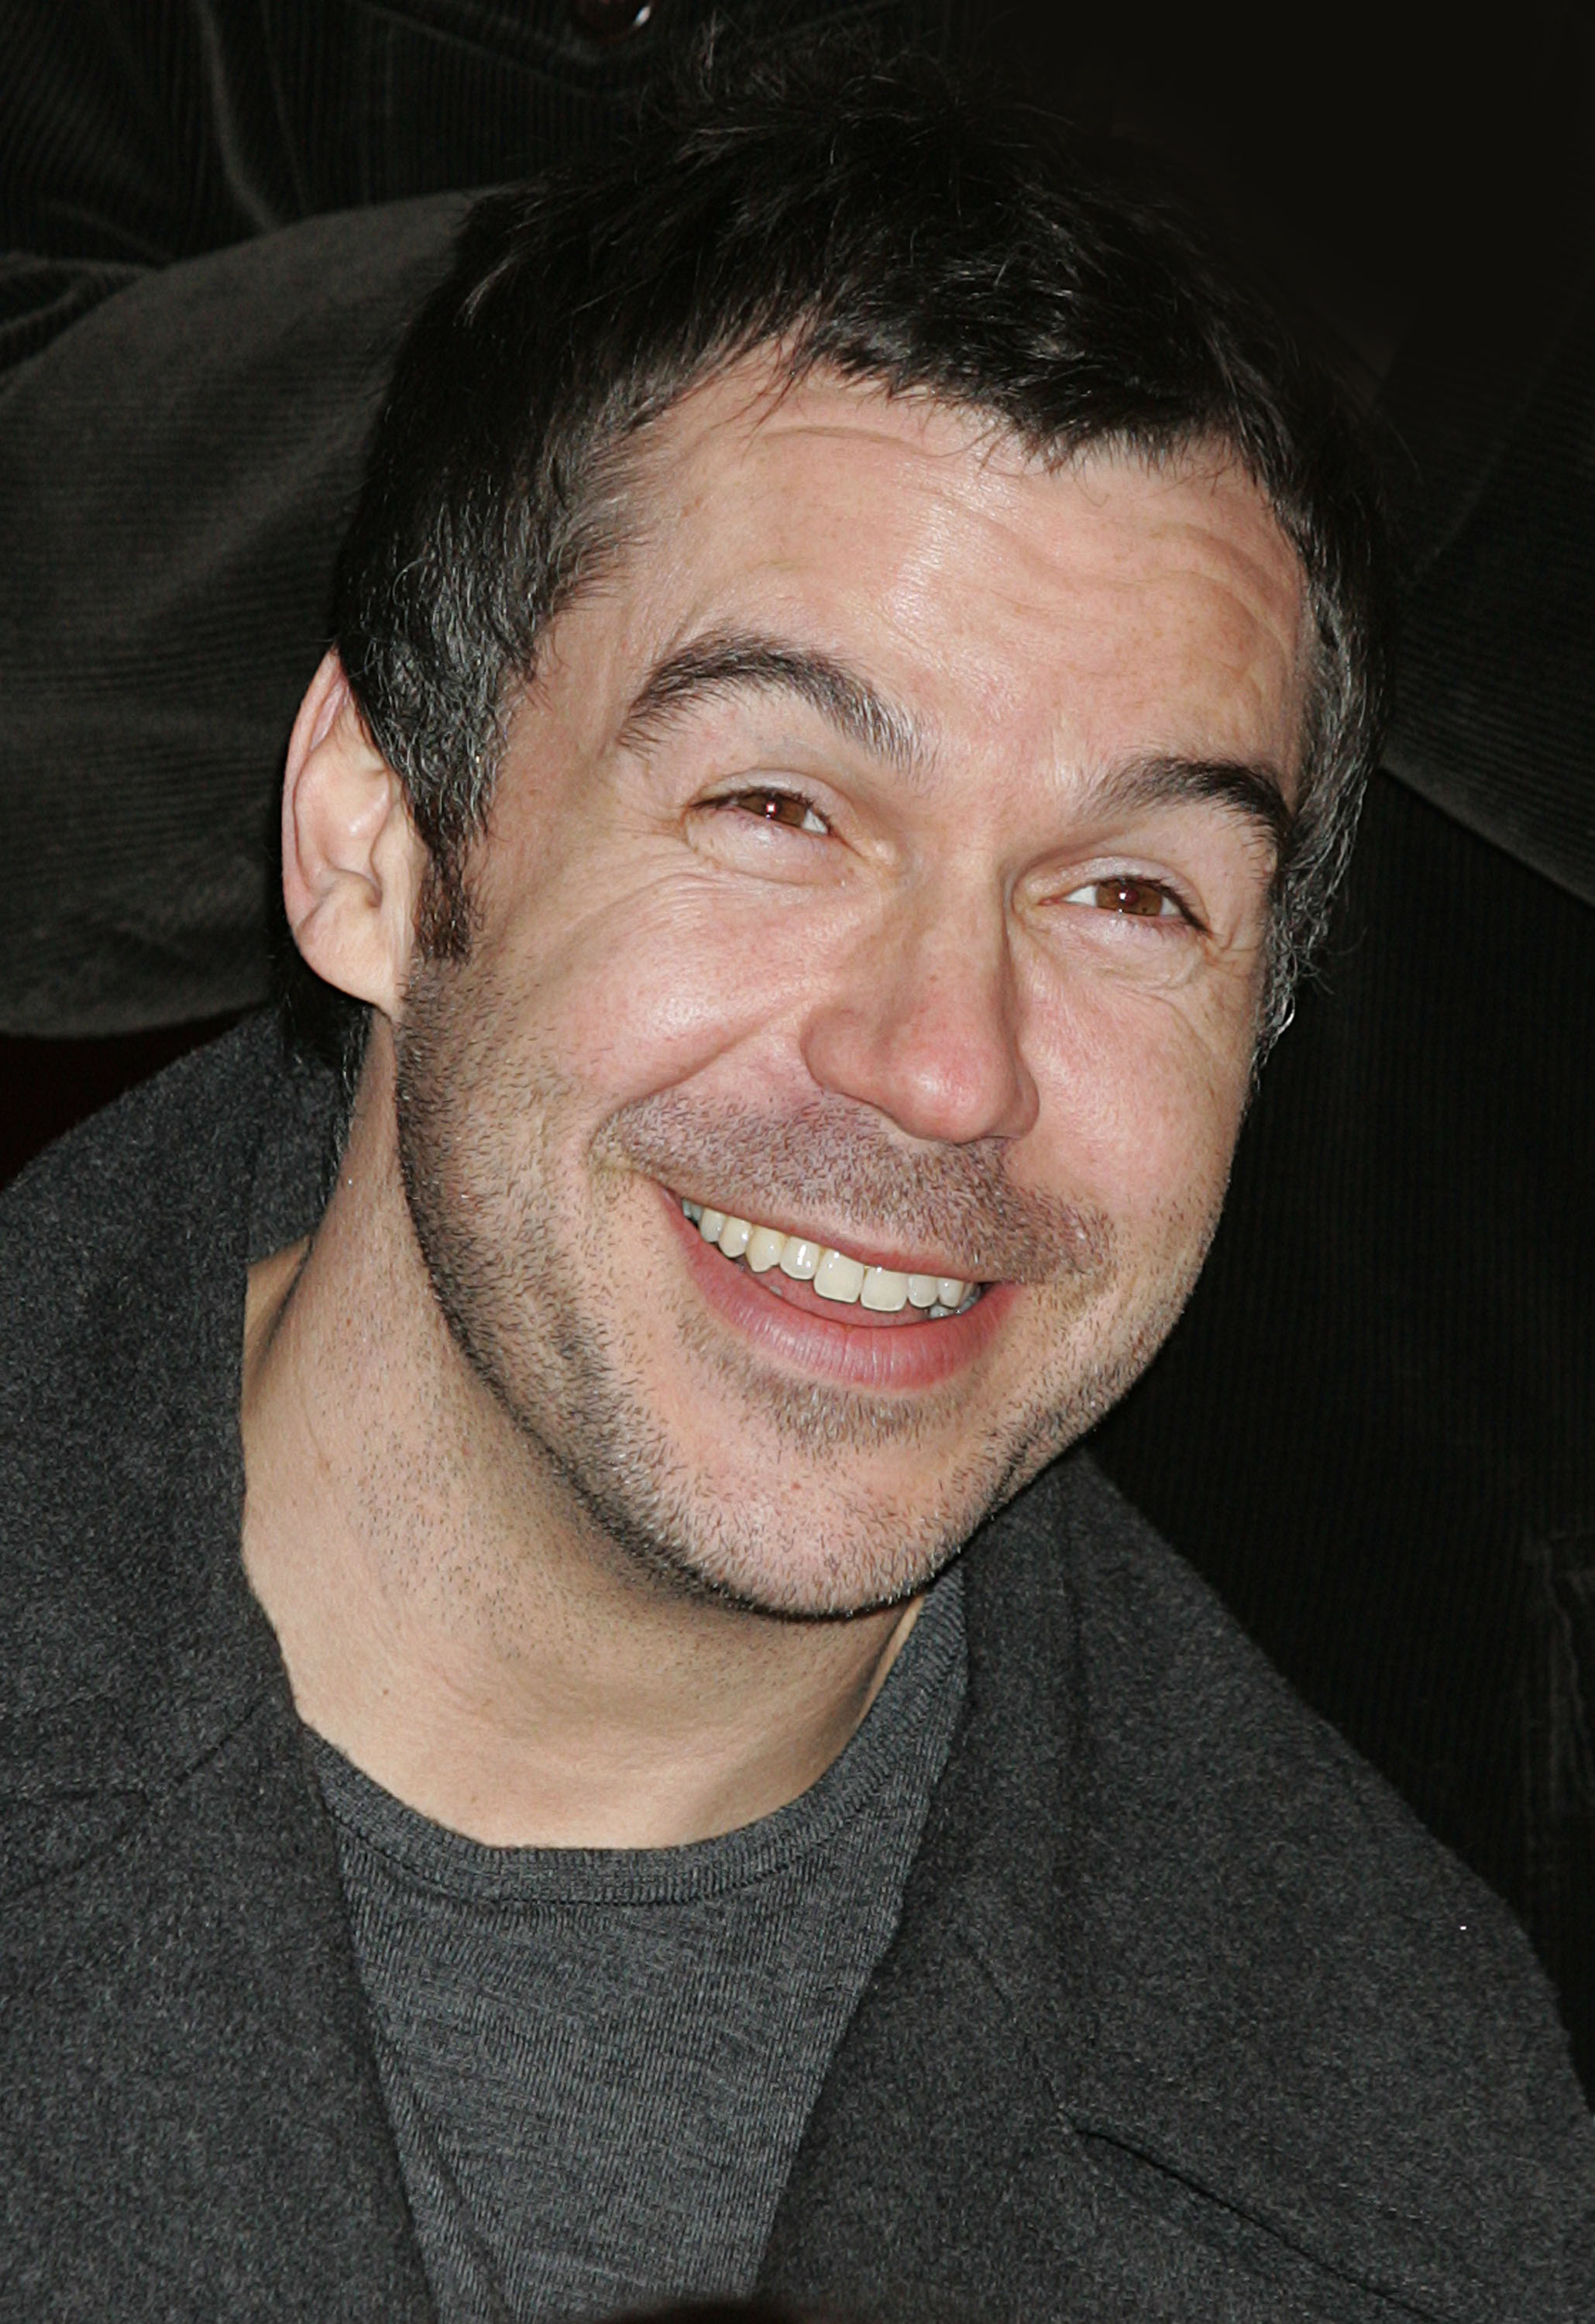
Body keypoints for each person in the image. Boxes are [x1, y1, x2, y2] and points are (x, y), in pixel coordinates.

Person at [3, 43, 1592, 2324]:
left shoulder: (1430, 2170)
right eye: (777, 809)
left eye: (1130, 896)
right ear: (373, 838)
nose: (945, 1069)